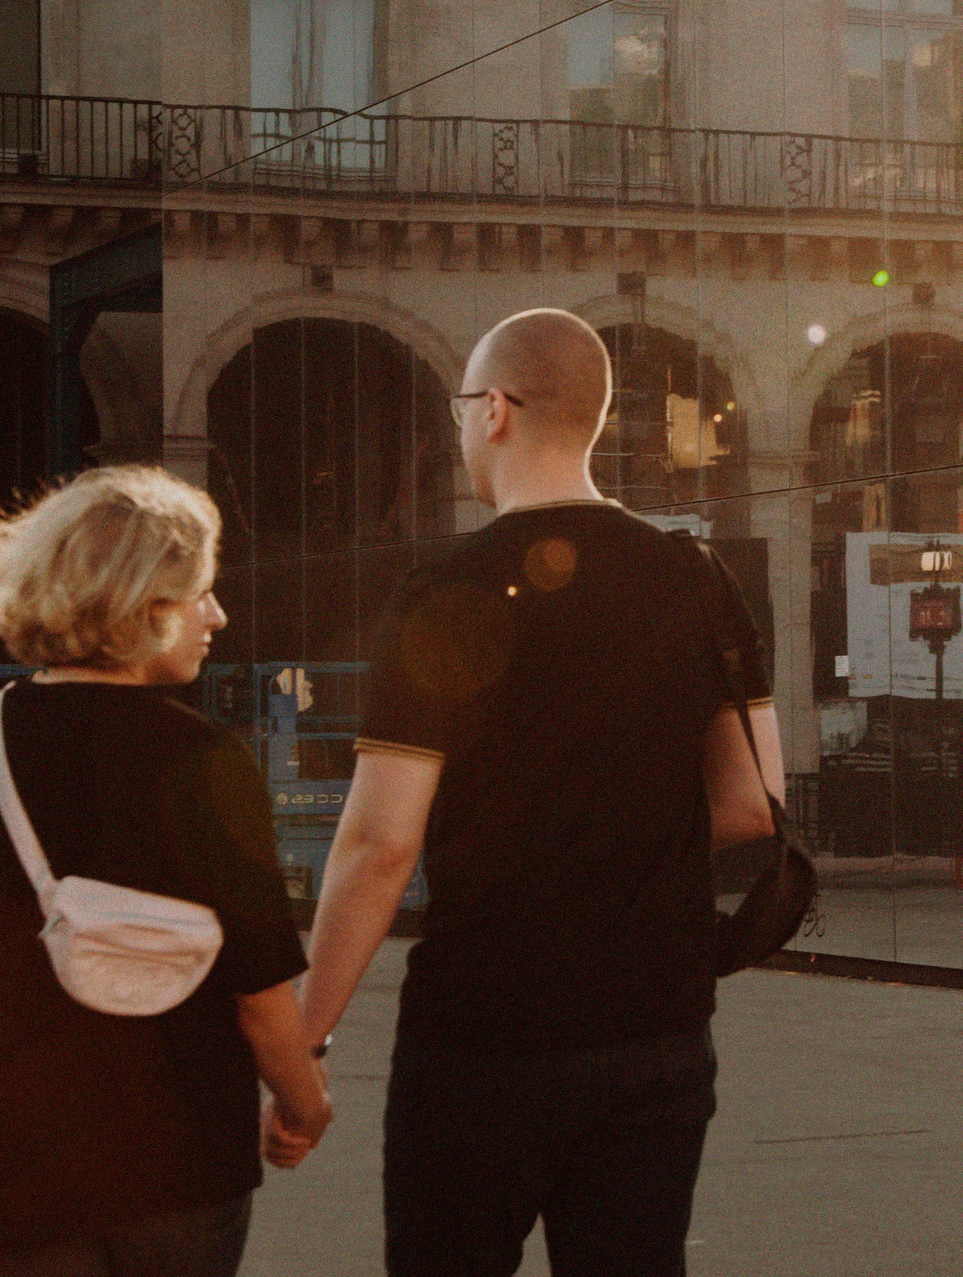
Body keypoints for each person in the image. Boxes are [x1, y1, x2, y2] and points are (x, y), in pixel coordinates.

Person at [295, 307, 783, 1277]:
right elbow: (752, 802)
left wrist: (300, 1037)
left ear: (497, 412)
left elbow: (379, 842)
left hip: (482, 1038)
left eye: (463, 405)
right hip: (655, 1032)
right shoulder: (696, 576)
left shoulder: (444, 588)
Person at [0, 466, 331, 1276]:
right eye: (200, 593)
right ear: (138, 603)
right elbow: (261, 999)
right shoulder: (207, 761)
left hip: (2, 1176)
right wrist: (304, 1105)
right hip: (180, 1171)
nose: (217, 617)